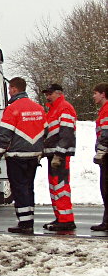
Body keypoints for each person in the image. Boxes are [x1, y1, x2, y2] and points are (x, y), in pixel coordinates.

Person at [0, 77, 46, 234]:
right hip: (34, 155)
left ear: (14, 89)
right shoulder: (39, 108)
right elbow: (46, 131)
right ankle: (29, 219)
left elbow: (4, 136)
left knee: (19, 187)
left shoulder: (12, 109)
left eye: (9, 89)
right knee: (29, 187)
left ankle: (24, 223)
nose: (9, 92)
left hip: (17, 156)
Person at [41, 83, 77, 231]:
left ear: (58, 93)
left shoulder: (64, 107)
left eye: (50, 94)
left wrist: (59, 154)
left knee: (61, 187)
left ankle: (66, 219)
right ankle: (60, 218)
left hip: (60, 155)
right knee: (55, 187)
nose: (47, 97)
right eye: (46, 94)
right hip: (53, 154)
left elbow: (66, 134)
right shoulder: (53, 109)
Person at [90, 82, 108, 231]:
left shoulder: (106, 110)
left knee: (106, 188)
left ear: (103, 94)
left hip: (107, 154)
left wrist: (101, 151)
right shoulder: (103, 110)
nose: (93, 96)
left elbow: (106, 134)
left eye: (95, 93)